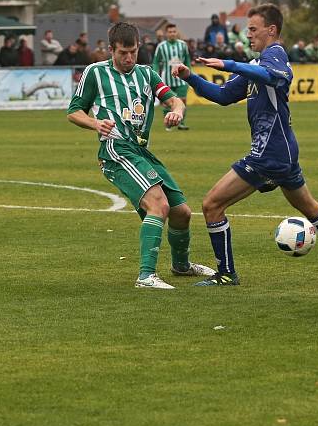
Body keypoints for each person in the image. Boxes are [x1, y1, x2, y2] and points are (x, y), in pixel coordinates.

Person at [173, 3, 318, 285]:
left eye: (253, 29)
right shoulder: (255, 65)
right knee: (309, 207)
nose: (248, 35)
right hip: (281, 150)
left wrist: (230, 64)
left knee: (212, 205)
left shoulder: (275, 56)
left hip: (268, 153)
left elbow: (273, 76)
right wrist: (191, 78)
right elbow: (223, 95)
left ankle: (226, 274)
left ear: (271, 30)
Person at [66, 22, 214, 288]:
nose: (129, 58)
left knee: (182, 212)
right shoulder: (95, 73)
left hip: (141, 150)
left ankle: (181, 267)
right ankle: (146, 276)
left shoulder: (146, 74)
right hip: (115, 149)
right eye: (123, 52)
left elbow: (175, 100)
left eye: (133, 51)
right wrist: (95, 124)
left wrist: (176, 112)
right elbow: (74, 111)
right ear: (111, 49)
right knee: (158, 205)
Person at [153, 23, 192, 131]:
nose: (172, 34)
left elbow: (187, 60)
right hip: (167, 78)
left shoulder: (183, 45)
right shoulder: (161, 46)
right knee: (167, 102)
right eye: (170, 32)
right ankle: (168, 124)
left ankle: (181, 123)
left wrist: (189, 74)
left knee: (183, 101)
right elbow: (156, 62)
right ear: (166, 33)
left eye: (174, 31)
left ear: (177, 32)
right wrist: (155, 74)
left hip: (181, 79)